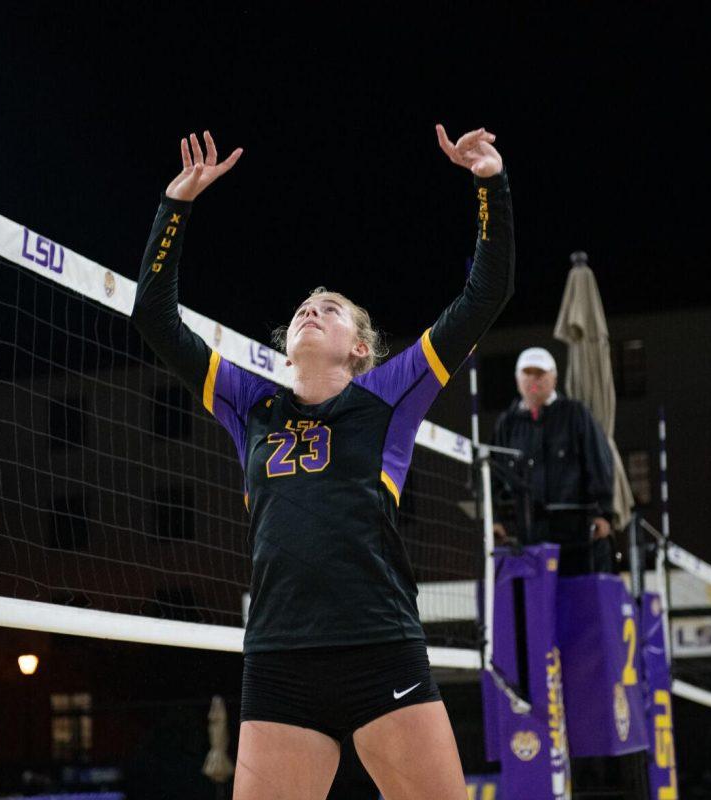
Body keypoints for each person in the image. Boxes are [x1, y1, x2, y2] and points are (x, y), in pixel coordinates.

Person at [132, 125, 513, 800]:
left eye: (330, 310)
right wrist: (175, 205)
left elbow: (485, 294)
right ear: (286, 347)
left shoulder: (387, 396)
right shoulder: (249, 403)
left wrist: (489, 183)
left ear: (361, 349)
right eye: (305, 309)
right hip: (280, 658)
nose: (311, 310)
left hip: (379, 646)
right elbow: (155, 318)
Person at [491, 346, 615, 575]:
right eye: (527, 373)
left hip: (576, 539)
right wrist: (494, 519)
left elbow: (600, 464)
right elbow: (494, 477)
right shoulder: (507, 424)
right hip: (524, 539)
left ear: (553, 377)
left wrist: (603, 513)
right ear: (517, 379)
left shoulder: (576, 414)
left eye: (540, 373)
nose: (533, 379)